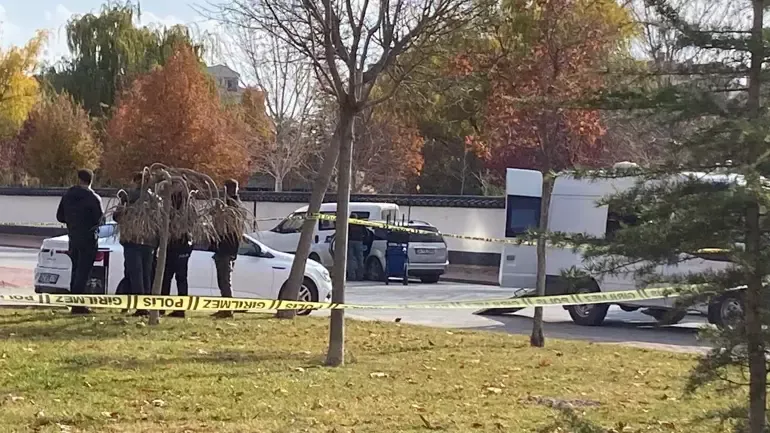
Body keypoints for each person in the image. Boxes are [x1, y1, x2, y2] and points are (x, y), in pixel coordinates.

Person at [56, 169, 103, 315]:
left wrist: (72, 222)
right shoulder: (93, 198)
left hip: (73, 237)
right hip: (88, 239)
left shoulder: (68, 195)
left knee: (75, 270)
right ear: (91, 180)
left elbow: (60, 216)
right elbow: (100, 220)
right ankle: (78, 305)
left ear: (78, 179)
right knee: (84, 272)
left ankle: (73, 302)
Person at [114, 172, 157, 317]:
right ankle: (143, 304)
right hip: (149, 241)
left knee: (134, 273)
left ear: (136, 181)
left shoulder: (129, 196)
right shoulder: (155, 199)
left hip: (132, 240)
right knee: (146, 274)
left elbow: (117, 216)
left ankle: (138, 306)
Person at [160, 189, 193, 318]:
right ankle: (179, 309)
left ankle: (164, 308)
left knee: (168, 278)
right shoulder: (188, 211)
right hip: (182, 248)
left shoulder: (174, 213)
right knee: (180, 279)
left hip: (175, 247)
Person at [212, 179, 241, 319]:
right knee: (222, 280)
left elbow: (224, 225)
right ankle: (224, 307)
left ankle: (228, 309)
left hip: (226, 249)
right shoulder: (231, 204)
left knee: (225, 280)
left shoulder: (232, 206)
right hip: (224, 249)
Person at [347, 213, 366, 281]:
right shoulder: (360, 223)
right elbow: (366, 233)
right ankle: (360, 276)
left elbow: (346, 232)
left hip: (351, 241)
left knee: (351, 259)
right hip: (359, 241)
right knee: (360, 259)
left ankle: (351, 276)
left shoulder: (348, 223)